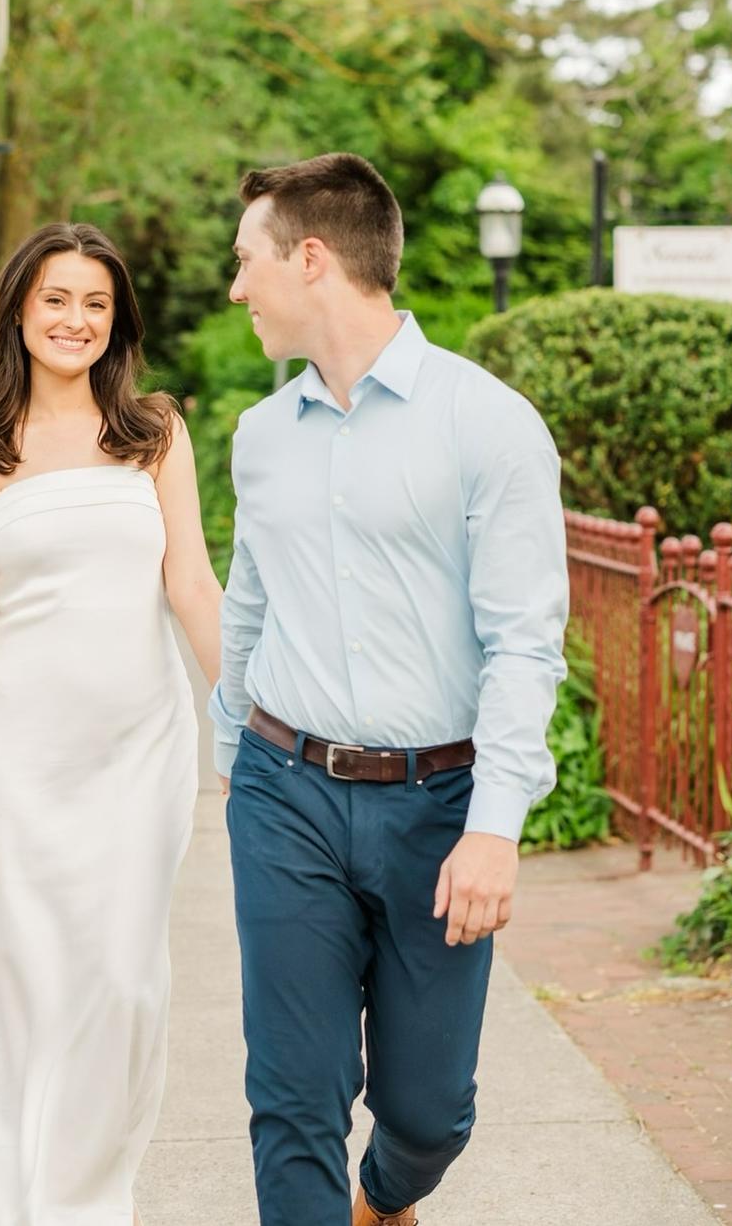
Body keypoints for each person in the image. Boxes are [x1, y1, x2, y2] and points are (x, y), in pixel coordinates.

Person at [208, 153, 569, 1226]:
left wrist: (494, 826)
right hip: (285, 793)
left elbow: (522, 642)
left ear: (308, 258)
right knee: (290, 1093)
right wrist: (229, 764)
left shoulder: (486, 423)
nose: (235, 287)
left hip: (437, 807)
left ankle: (384, 1195)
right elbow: (246, 608)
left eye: (246, 260)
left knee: (427, 1111)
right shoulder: (259, 437)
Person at [0, 222, 221, 1226]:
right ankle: (17, 1199)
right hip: (19, 755)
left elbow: (190, 585)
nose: (74, 320)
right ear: (17, 309)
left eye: (94, 303)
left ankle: (90, 1193)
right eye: (55, 299)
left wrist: (252, 713)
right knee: (25, 974)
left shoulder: (154, 431)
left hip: (142, 746)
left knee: (124, 977)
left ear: (114, 320)